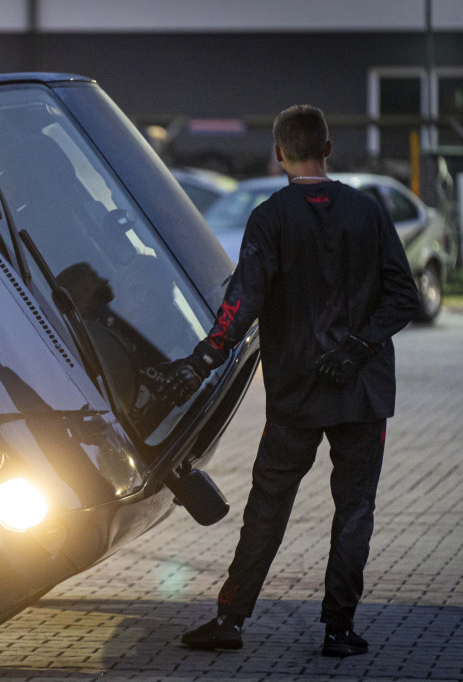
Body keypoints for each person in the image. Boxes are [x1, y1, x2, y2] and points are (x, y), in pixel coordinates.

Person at [155, 105, 419, 657]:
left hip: (295, 397)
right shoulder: (367, 211)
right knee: (355, 512)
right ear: (328, 148)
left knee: (267, 508)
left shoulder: (271, 216)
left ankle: (230, 622)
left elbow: (242, 301)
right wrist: (357, 348)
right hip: (362, 395)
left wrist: (205, 358)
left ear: (279, 152)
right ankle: (339, 631)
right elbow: (404, 297)